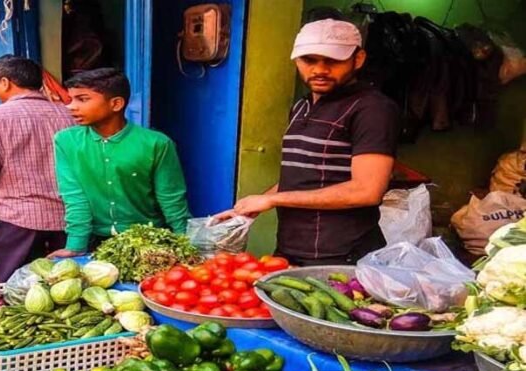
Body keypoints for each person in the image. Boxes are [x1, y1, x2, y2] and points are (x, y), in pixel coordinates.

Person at [216, 19, 400, 266]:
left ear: (358, 59)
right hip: (292, 248)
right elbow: (302, 176)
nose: (319, 70)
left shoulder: (372, 109)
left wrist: (273, 200)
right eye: (309, 60)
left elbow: (367, 190)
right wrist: (254, 205)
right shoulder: (302, 106)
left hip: (342, 256)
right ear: (296, 60)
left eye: (333, 60)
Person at [49, 68, 192, 258]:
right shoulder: (66, 141)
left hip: (149, 241)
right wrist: (76, 246)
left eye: (82, 99)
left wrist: (186, 244)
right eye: (71, 99)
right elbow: (74, 197)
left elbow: (172, 199)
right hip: (96, 241)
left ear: (116, 104)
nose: (71, 106)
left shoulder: (156, 143)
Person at [0, 55, 75, 282]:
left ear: (5, 83)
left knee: (17, 290)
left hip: (20, 218)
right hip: (71, 219)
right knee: (68, 288)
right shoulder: (70, 114)